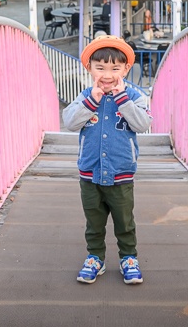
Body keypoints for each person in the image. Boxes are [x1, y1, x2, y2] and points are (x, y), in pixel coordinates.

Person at [63, 35, 152, 285]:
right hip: (90, 173)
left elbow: (143, 123)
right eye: (100, 68)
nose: (107, 74)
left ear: (125, 69)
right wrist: (92, 101)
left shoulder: (134, 97)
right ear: (89, 68)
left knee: (125, 221)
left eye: (115, 68)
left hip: (121, 172)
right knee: (94, 221)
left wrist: (122, 100)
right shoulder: (85, 96)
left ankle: (128, 258)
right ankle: (95, 258)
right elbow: (70, 122)